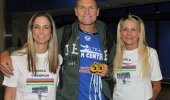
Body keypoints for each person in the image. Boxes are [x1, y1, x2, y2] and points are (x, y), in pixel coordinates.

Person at [0, 0, 115, 100]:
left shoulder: (107, 38)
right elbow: (39, 42)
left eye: (91, 8)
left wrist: (107, 73)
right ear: (75, 11)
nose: (87, 12)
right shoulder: (65, 34)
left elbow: (115, 68)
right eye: (82, 7)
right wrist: (6, 52)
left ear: (98, 11)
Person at [2, 12, 62, 100]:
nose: (41, 31)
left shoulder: (58, 59)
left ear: (51, 31)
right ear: (31, 30)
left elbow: (53, 92)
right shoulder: (15, 59)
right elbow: (10, 95)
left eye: (46, 27)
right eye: (36, 27)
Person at [112, 14, 162, 100]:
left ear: (139, 33)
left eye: (133, 30)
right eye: (125, 30)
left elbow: (157, 87)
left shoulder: (150, 53)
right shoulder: (115, 53)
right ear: (120, 33)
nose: (129, 34)